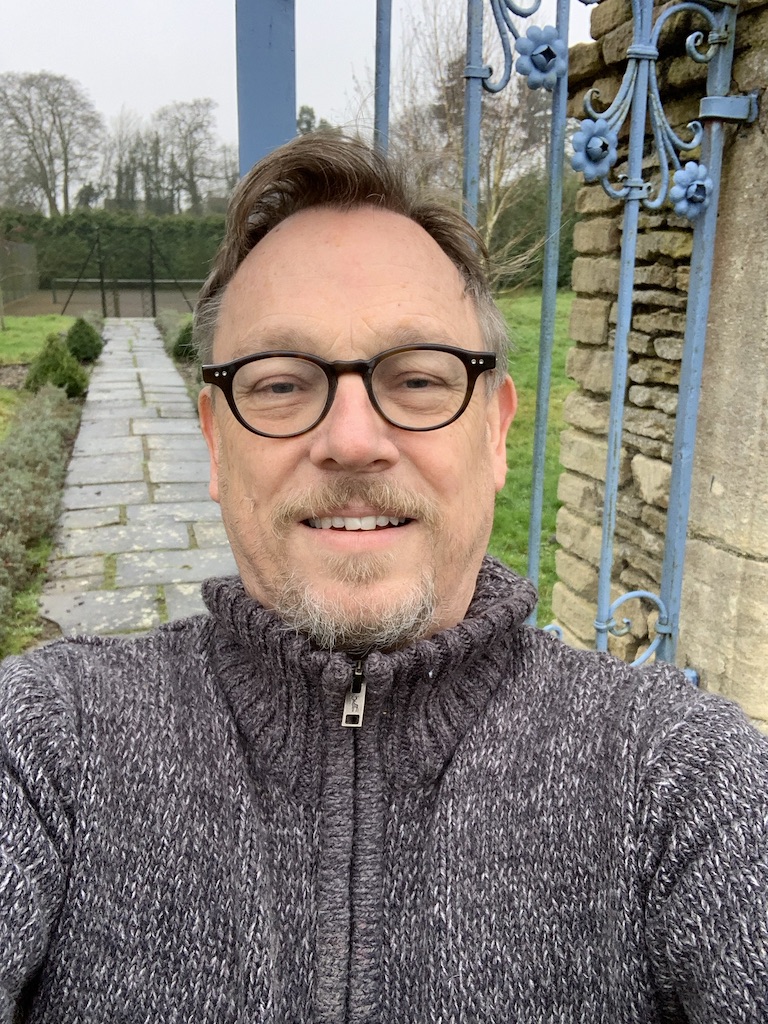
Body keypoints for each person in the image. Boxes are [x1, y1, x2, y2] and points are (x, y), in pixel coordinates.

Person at [1, 133, 766, 1024]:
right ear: (214, 440)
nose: (354, 440)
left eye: (418, 379)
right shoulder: (50, 742)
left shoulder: (680, 780)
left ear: (495, 432)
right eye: (280, 384)